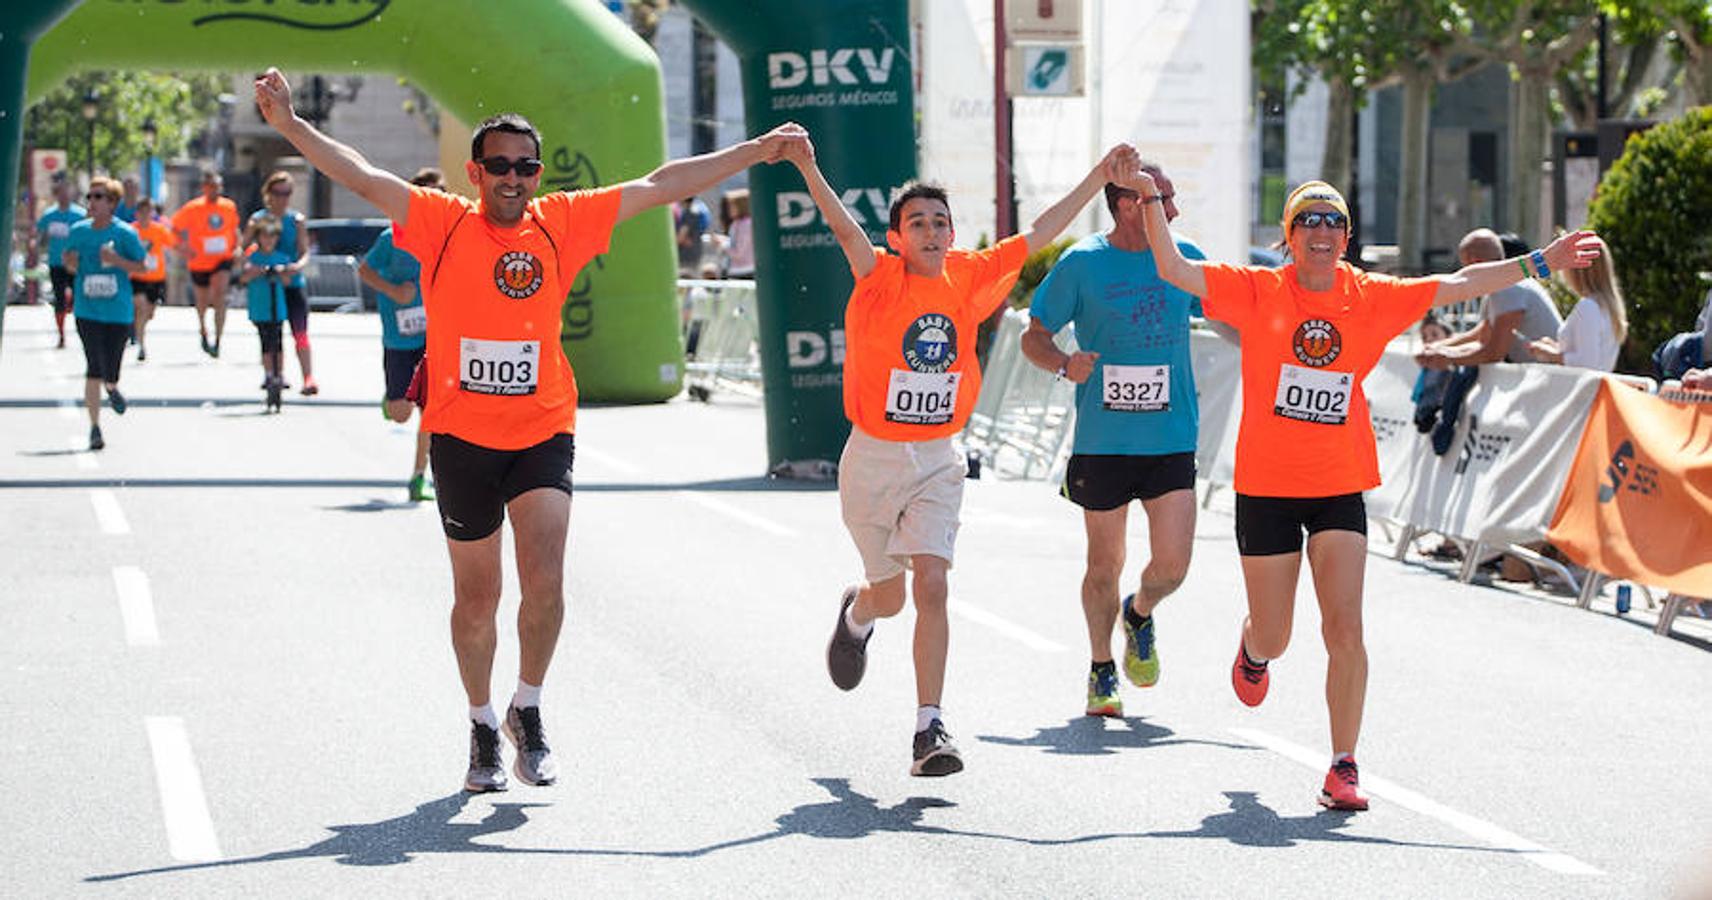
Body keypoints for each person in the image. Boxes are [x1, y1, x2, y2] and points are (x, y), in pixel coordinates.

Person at [254, 66, 807, 793]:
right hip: (461, 434)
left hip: (542, 426)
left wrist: (754, 149)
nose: (514, 178)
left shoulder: (564, 221)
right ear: (476, 173)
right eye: (501, 166)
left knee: (545, 581)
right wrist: (291, 127)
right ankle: (483, 723)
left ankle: (529, 707)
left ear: (538, 175)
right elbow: (361, 175)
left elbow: (662, 184)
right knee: (476, 598)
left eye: (526, 167)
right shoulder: (442, 220)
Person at [1125, 173, 1600, 811]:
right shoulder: (1260, 288)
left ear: (1346, 238)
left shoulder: (1371, 295)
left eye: (1333, 222)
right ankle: (1253, 649)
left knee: (1345, 627)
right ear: (1289, 238)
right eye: (1308, 222)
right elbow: (1175, 269)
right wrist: (1151, 202)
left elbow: (1462, 284)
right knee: (1277, 634)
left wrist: (1542, 260)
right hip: (1267, 486)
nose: (1321, 232)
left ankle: (1343, 764)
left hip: (1339, 483)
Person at [798, 133, 1133, 776]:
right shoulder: (878, 278)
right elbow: (842, 228)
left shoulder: (971, 276)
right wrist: (810, 165)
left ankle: (929, 729)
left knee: (932, 583)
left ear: (952, 235)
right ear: (897, 238)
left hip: (937, 458)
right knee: (890, 596)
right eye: (916, 223)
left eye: (940, 223)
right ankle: (859, 612)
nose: (930, 231)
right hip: (871, 459)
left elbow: (1039, 230)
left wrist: (1099, 175)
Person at [1019, 161, 1206, 719]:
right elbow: (1035, 336)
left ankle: (1141, 612)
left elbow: (1233, 313)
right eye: (1163, 200)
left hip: (1171, 436)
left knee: (1172, 566)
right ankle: (1102, 667)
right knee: (1105, 561)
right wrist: (1063, 365)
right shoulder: (1083, 264)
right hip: (1103, 442)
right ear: (1129, 204)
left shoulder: (1185, 257)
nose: (1174, 211)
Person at [358, 166, 444, 502]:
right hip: (398, 337)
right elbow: (365, 270)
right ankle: (391, 399)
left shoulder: (446, 234)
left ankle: (418, 477)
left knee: (431, 408)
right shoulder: (391, 237)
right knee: (401, 412)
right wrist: (394, 292)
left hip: (435, 337)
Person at [62, 176, 147, 450]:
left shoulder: (125, 234)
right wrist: (71, 263)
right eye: (90, 197)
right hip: (87, 309)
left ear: (112, 203)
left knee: (110, 368)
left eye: (99, 197)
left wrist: (115, 260)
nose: (92, 202)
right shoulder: (78, 230)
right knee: (93, 366)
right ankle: (94, 427)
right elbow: (70, 263)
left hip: (118, 312)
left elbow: (141, 267)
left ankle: (112, 387)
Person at [1417, 228, 1562, 367]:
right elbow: (1484, 334)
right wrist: (1441, 347)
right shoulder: (1500, 286)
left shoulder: (1508, 288)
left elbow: (1493, 353)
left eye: (1464, 268)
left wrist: (1447, 358)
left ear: (1475, 262)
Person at [245, 171, 318, 394]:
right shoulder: (258, 219)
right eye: (278, 192)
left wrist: (297, 266)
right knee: (270, 332)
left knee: (300, 331)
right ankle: (275, 375)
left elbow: (305, 252)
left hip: (292, 281)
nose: (283, 198)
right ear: (268, 193)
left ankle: (308, 377)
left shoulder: (296, 220)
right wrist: (246, 263)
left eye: (287, 193)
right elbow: (243, 245)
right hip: (267, 284)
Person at [1529, 235, 1627, 372]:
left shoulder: (1589, 306)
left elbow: (1587, 364)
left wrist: (1552, 355)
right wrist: (1557, 348)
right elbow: (1592, 354)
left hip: (1584, 390)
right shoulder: (1607, 306)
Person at [171, 169, 240, 357]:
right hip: (199, 261)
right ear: (204, 188)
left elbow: (234, 230)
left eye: (217, 186)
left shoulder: (228, 206)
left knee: (219, 293)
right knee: (202, 300)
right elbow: (173, 228)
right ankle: (203, 329)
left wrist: (237, 248)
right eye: (210, 187)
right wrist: (183, 248)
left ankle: (218, 339)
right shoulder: (193, 208)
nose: (214, 190)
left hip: (222, 259)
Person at [237, 216, 292, 410]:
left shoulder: (281, 258)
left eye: (272, 237)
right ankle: (269, 373)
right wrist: (257, 271)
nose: (268, 241)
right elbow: (242, 276)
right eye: (265, 237)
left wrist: (281, 271)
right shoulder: (253, 258)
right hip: (260, 308)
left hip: (277, 308)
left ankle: (280, 372)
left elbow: (287, 280)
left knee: (278, 342)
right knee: (265, 342)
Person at [35, 175, 86, 349]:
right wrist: (34, 245)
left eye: (67, 192)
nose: (64, 195)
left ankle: (82, 329)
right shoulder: (50, 215)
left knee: (78, 296)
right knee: (59, 298)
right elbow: (39, 233)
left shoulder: (79, 214)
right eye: (61, 193)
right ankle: (61, 335)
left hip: (74, 263)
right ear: (57, 195)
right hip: (56, 261)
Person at [129, 196, 175, 362]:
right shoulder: (131, 231)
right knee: (140, 306)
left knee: (149, 313)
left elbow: (173, 244)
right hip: (137, 275)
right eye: (142, 212)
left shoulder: (159, 229)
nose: (146, 215)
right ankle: (141, 345)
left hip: (156, 276)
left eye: (149, 211)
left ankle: (136, 327)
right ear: (137, 213)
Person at [674, 194, 711, 276]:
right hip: (695, 250)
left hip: (686, 254)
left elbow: (682, 235)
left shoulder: (690, 213)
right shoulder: (698, 208)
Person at [721, 189, 754, 278]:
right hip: (737, 270)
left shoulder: (746, 224)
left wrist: (721, 245)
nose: (729, 209)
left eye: (732, 206)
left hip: (745, 272)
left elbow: (739, 253)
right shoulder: (736, 224)